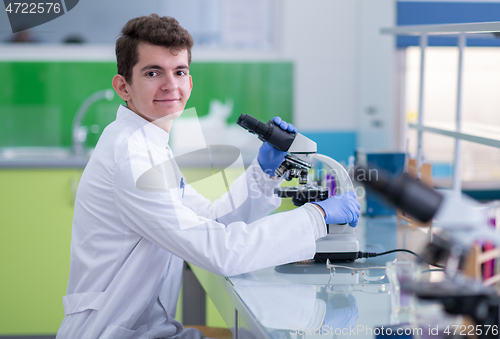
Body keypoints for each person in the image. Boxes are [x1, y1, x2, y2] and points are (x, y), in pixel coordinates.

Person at [56, 14, 360, 339]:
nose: (170, 85)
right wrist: (317, 216)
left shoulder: (150, 145)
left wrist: (264, 173)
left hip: (141, 328)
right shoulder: (132, 157)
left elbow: (212, 219)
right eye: (152, 72)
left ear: (190, 82)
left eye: (180, 72)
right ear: (123, 86)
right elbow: (222, 252)